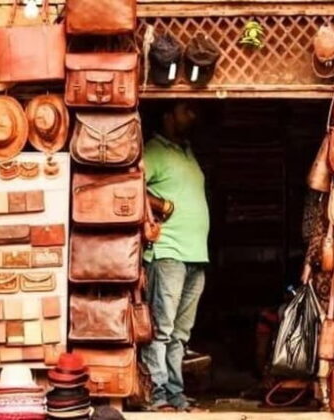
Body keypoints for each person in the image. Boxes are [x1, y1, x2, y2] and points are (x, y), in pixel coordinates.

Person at [142, 101, 210, 412]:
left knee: (180, 334)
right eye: (187, 110)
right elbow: (129, 184)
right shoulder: (154, 151)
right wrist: (160, 205)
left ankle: (175, 394)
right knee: (162, 329)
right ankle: (157, 395)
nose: (192, 115)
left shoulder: (187, 151)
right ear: (168, 115)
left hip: (196, 255)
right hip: (168, 251)